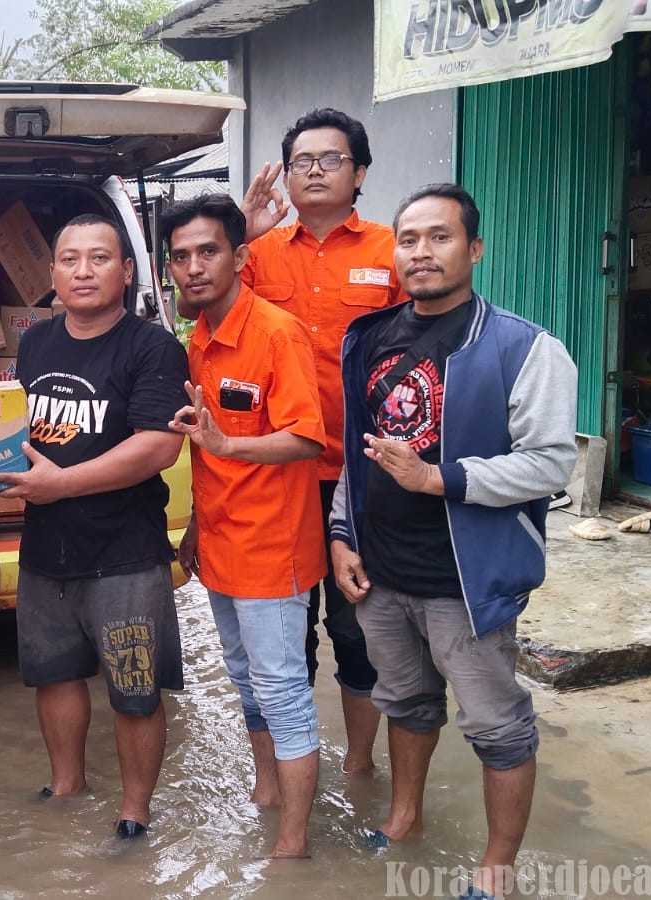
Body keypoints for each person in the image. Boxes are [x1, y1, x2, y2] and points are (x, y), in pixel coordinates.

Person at [328, 184, 577, 900]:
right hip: (382, 573)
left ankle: (498, 868)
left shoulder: (523, 347)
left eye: (440, 237)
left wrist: (442, 478)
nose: (421, 252)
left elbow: (550, 462)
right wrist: (342, 533)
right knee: (405, 702)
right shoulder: (370, 338)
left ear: (475, 249)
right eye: (408, 239)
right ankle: (405, 818)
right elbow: (358, 453)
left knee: (498, 726)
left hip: (465, 580)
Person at [0, 214, 190, 839]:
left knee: (135, 688)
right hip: (46, 548)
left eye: (99, 258)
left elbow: (158, 447)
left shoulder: (153, 348)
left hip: (125, 553)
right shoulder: (37, 344)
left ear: (126, 272)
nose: (83, 271)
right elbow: (13, 431)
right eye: (70, 259)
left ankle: (134, 811)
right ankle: (66, 786)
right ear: (51, 274)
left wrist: (62, 484)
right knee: (53, 674)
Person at [161, 195, 327, 858]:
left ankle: (293, 844)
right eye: (181, 256)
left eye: (209, 251)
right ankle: (266, 790)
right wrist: (196, 526)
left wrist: (228, 445)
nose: (194, 267)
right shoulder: (200, 336)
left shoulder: (277, 333)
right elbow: (207, 452)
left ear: (240, 257)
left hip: (273, 547)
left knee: (283, 690)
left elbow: (307, 438)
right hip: (221, 541)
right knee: (242, 674)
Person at [238, 107, 402, 779]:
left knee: (358, 624)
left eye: (330, 159)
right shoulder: (259, 252)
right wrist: (243, 234)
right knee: (284, 630)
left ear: (359, 173)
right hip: (280, 470)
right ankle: (286, 769)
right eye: (301, 161)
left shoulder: (392, 250)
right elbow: (203, 313)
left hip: (364, 471)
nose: (314, 171)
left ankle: (359, 765)